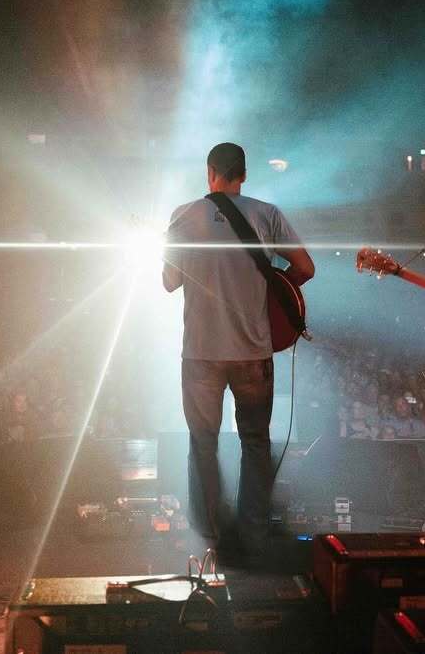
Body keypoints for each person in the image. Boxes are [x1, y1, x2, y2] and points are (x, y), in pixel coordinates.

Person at [163, 142, 315, 559]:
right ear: (243, 175)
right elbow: (305, 268)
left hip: (201, 354)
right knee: (255, 441)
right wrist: (272, 287)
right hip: (252, 352)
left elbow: (169, 281)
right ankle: (254, 531)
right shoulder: (266, 214)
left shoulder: (183, 215)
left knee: (203, 441)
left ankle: (210, 531)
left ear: (210, 171)